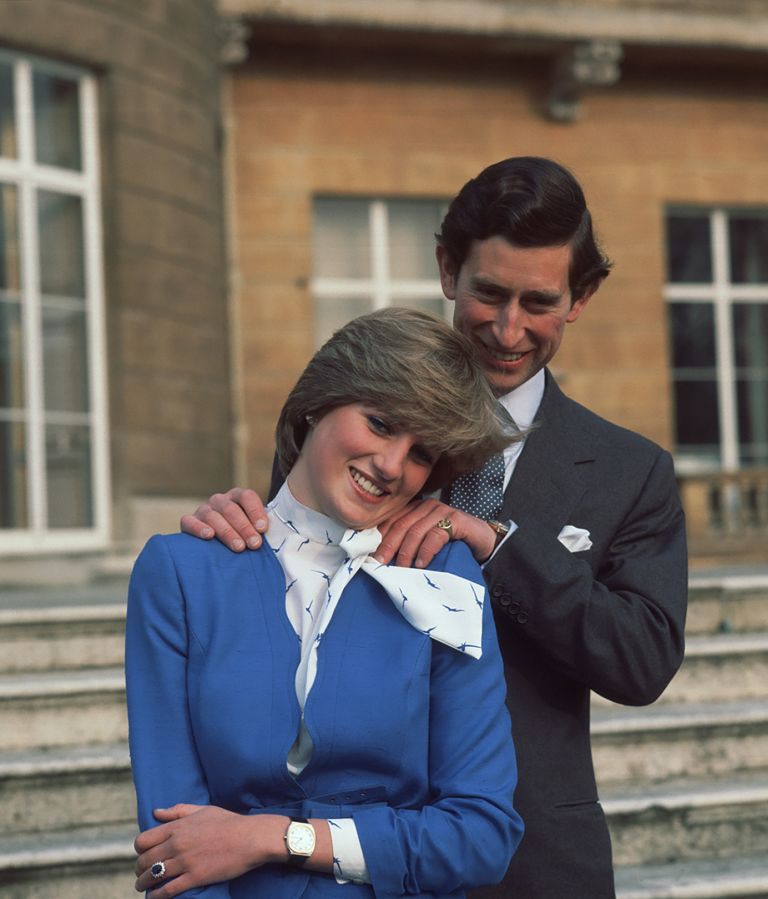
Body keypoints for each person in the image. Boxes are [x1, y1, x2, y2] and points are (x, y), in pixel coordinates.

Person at [183, 157, 688, 898]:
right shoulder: (353, 427)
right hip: (350, 860)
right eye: (489, 293)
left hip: (536, 862)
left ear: (582, 297)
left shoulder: (630, 470)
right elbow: (285, 599)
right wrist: (234, 533)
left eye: (538, 302)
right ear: (448, 268)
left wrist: (497, 544)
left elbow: (642, 661)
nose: (509, 329)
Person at [126, 308, 524, 898]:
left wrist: (276, 838)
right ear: (317, 403)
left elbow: (482, 836)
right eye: (381, 424)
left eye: (421, 453)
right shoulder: (181, 573)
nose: (392, 467)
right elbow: (172, 842)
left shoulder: (444, 575)